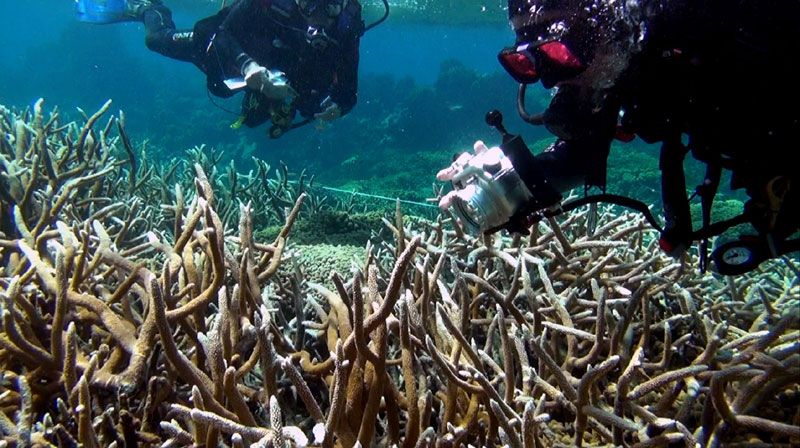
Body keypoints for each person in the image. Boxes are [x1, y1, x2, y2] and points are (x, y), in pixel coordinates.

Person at [437, 0, 799, 275]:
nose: (548, 81)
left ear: (609, 28)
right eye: (527, 62)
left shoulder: (735, 42)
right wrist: (510, 183)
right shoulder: (619, 65)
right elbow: (579, 156)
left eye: (558, 55)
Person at [79, 0, 369, 138]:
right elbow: (218, 30)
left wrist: (337, 108)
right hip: (227, 53)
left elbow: (349, 91)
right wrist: (248, 65)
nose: (318, 15)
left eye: (330, 5)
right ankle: (147, 8)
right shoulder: (269, 4)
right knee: (155, 40)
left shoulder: (347, 27)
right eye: (309, 3)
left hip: (277, 76)